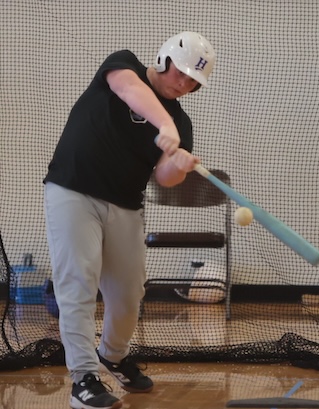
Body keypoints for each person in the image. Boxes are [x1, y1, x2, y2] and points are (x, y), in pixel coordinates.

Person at [43, 32, 216, 409]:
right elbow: (128, 89)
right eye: (181, 73)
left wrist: (179, 164)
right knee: (78, 282)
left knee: (128, 293)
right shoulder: (124, 65)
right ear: (165, 59)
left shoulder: (181, 124)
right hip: (73, 190)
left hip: (125, 205)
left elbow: (165, 178)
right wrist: (165, 127)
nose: (183, 85)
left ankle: (113, 355)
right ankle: (84, 380)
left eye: (192, 82)